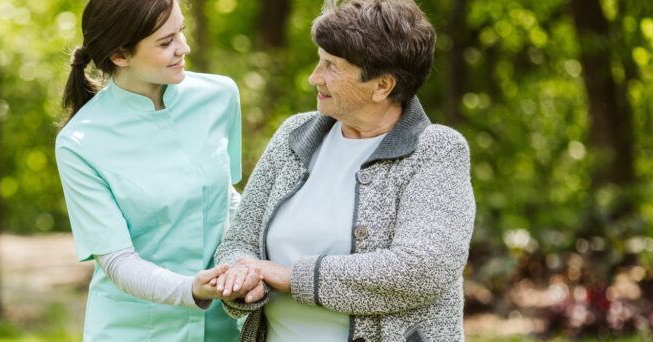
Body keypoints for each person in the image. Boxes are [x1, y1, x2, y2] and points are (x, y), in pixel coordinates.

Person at [213, 0, 476, 341]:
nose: (314, 77)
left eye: (331, 66)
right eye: (319, 61)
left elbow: (421, 270)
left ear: (383, 86)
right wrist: (242, 277)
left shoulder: (436, 151)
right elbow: (239, 241)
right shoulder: (294, 136)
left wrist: (290, 277)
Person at [54, 0, 260, 340]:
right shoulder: (79, 143)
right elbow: (118, 261)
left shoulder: (220, 96)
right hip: (136, 330)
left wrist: (246, 260)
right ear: (120, 55)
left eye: (181, 31)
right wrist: (191, 289)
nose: (184, 47)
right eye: (166, 43)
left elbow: (225, 197)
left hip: (224, 326)